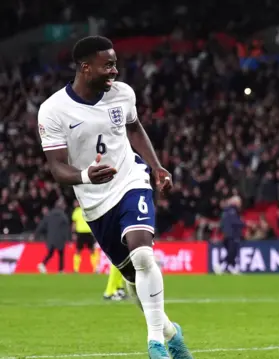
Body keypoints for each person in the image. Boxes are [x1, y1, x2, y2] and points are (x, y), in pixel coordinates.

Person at [37, 35, 192, 359]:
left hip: (130, 180)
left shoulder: (123, 95)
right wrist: (84, 175)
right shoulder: (53, 110)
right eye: (107, 65)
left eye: (115, 64)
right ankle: (171, 333)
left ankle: (155, 346)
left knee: (144, 255)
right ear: (85, 67)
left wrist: (156, 167)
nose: (114, 71)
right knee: (135, 279)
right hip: (94, 202)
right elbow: (56, 167)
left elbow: (134, 129)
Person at [35, 200, 70, 274]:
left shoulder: (49, 215)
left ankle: (43, 264)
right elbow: (66, 229)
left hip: (51, 238)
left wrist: (37, 234)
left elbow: (42, 226)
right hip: (60, 238)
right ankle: (60, 270)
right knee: (61, 254)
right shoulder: (63, 216)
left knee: (51, 253)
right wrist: (68, 239)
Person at [71, 200, 100, 273]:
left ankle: (76, 269)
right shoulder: (88, 210)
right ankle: (95, 268)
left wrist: (73, 233)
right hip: (86, 233)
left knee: (79, 251)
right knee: (91, 251)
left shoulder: (77, 211)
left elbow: (74, 224)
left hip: (82, 233)